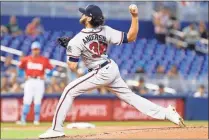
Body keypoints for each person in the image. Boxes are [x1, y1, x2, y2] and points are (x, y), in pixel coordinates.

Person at [39, 5, 185, 138]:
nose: (82, 15)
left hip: (100, 71)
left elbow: (72, 66)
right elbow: (131, 36)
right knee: (132, 98)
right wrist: (134, 17)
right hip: (110, 68)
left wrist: (70, 50)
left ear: (89, 18)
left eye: (84, 13)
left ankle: (56, 129)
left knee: (69, 90)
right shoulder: (105, 30)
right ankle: (166, 113)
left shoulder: (77, 40)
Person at [16, 41, 53, 125]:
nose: (35, 51)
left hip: (39, 81)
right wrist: (23, 75)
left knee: (37, 100)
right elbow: (19, 68)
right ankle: (23, 119)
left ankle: (36, 120)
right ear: (32, 50)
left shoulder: (44, 59)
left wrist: (46, 75)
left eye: (37, 49)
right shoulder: (26, 59)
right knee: (27, 99)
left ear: (39, 50)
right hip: (29, 81)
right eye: (34, 49)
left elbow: (51, 69)